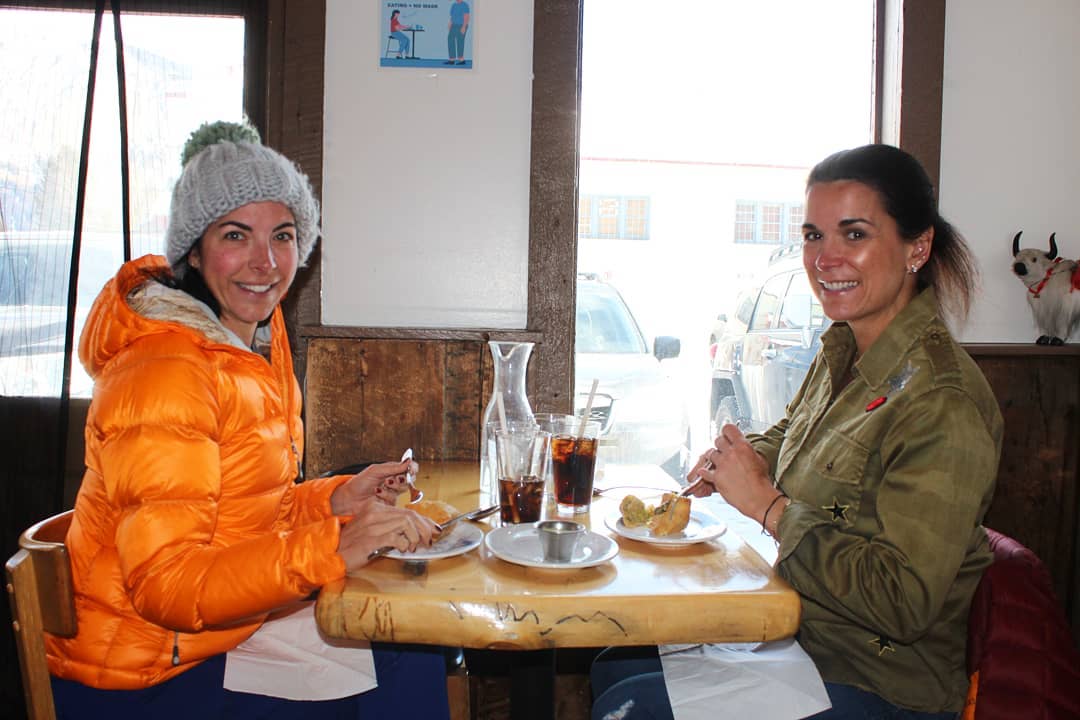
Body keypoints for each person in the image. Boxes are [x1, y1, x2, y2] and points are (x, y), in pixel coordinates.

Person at [46, 120, 451, 719]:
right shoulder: (164, 370)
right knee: (391, 664)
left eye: (282, 236)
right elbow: (167, 587)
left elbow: (245, 514)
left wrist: (338, 499)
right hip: (142, 677)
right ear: (193, 250)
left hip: (206, 640)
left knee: (410, 644)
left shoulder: (248, 345)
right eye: (236, 234)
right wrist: (334, 546)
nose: (264, 262)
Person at [591, 144, 1003, 720]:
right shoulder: (842, 348)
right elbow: (794, 439)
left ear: (918, 247)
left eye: (854, 234)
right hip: (798, 639)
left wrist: (770, 507)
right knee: (613, 663)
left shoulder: (942, 401)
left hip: (878, 684)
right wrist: (735, 461)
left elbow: (903, 601)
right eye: (813, 236)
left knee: (631, 707)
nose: (825, 259)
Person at [445, 0, 470, 65]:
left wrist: (464, 27)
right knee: (450, 39)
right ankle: (452, 59)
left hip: (461, 25)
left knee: (460, 41)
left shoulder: (465, 5)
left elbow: (466, 16)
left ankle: (461, 59)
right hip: (454, 25)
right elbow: (452, 16)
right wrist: (450, 23)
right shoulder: (454, 5)